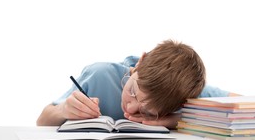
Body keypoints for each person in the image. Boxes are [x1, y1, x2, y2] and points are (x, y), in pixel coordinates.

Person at [37, 40, 238, 129]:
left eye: (149, 111)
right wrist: (64, 110)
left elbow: (247, 107)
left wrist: (180, 119)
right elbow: (42, 120)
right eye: (132, 90)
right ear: (141, 61)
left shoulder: (184, 92)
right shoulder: (100, 74)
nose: (130, 108)